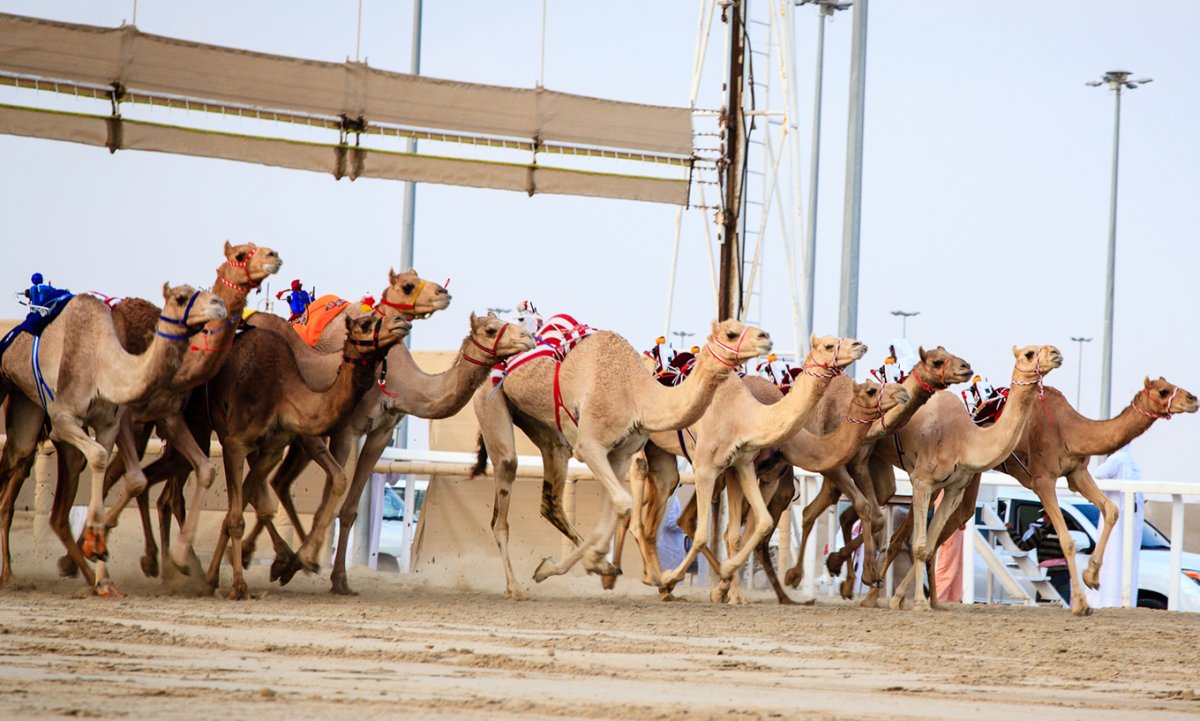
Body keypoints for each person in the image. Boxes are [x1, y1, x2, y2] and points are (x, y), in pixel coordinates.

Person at [1086, 444, 1143, 609]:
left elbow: (1097, 474)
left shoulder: (1117, 460)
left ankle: (1104, 600)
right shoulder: (1131, 462)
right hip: (1130, 519)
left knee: (1112, 556)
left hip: (1117, 520)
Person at [1011, 508, 1071, 603]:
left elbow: (1023, 546)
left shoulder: (1041, 532)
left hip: (1047, 572)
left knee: (1044, 604)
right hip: (1064, 573)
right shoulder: (1065, 532)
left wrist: (1011, 531)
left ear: (1047, 517)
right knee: (1064, 606)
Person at [657, 494, 687, 576]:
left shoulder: (674, 496)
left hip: (675, 549)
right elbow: (668, 522)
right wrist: (687, 525)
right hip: (668, 550)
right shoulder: (668, 498)